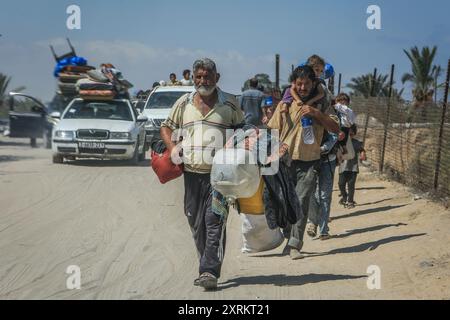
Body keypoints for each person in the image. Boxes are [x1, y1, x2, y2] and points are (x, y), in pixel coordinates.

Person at [160, 58, 244, 290]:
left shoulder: (230, 103)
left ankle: (209, 271)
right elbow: (166, 127)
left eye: (207, 76)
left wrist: (237, 149)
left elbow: (243, 129)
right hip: (192, 175)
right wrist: (172, 148)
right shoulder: (184, 102)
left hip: (220, 177)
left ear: (217, 78)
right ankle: (206, 262)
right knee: (196, 222)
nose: (202, 81)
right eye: (198, 76)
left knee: (214, 220)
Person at [267, 65, 339, 260]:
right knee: (283, 201)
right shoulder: (287, 103)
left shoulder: (323, 104)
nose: (303, 87)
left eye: (307, 83)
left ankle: (294, 244)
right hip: (284, 160)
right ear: (294, 84)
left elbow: (335, 128)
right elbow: (272, 128)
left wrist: (316, 113)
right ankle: (287, 235)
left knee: (301, 201)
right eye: (299, 83)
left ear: (314, 83)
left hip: (309, 161)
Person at [307, 131, 339, 239]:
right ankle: (313, 222)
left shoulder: (330, 115)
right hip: (309, 160)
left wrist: (321, 149)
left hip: (327, 161)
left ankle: (323, 229)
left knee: (324, 196)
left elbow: (334, 135)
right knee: (310, 193)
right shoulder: (305, 115)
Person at [338, 124, 367, 209]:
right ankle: (344, 197)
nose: (349, 136)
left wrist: (362, 154)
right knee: (341, 184)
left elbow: (361, 149)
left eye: (351, 134)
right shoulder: (341, 142)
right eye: (348, 134)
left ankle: (350, 201)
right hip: (342, 167)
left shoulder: (356, 143)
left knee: (351, 185)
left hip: (353, 168)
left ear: (354, 134)